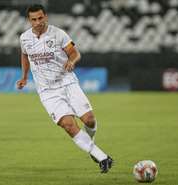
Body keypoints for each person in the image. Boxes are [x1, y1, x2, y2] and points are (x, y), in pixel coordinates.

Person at [16, 4, 113, 173]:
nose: (38, 22)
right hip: (47, 91)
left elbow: (75, 53)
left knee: (89, 120)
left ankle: (91, 143)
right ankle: (101, 156)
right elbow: (25, 55)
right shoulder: (24, 38)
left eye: (40, 18)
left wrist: (72, 61)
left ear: (45, 17)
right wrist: (24, 77)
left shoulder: (58, 34)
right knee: (69, 125)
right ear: (29, 20)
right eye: (34, 19)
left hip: (68, 83)